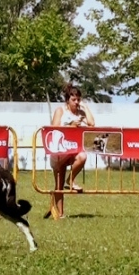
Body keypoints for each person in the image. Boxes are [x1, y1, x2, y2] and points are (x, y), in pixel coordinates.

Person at [50, 83, 95, 218]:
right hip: (59, 151)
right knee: (58, 183)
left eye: (78, 100)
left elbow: (92, 124)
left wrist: (86, 107)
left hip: (73, 151)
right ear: (67, 100)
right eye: (73, 100)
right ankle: (60, 213)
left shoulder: (81, 112)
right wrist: (71, 126)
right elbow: (53, 127)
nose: (76, 102)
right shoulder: (60, 111)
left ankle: (71, 180)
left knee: (82, 156)